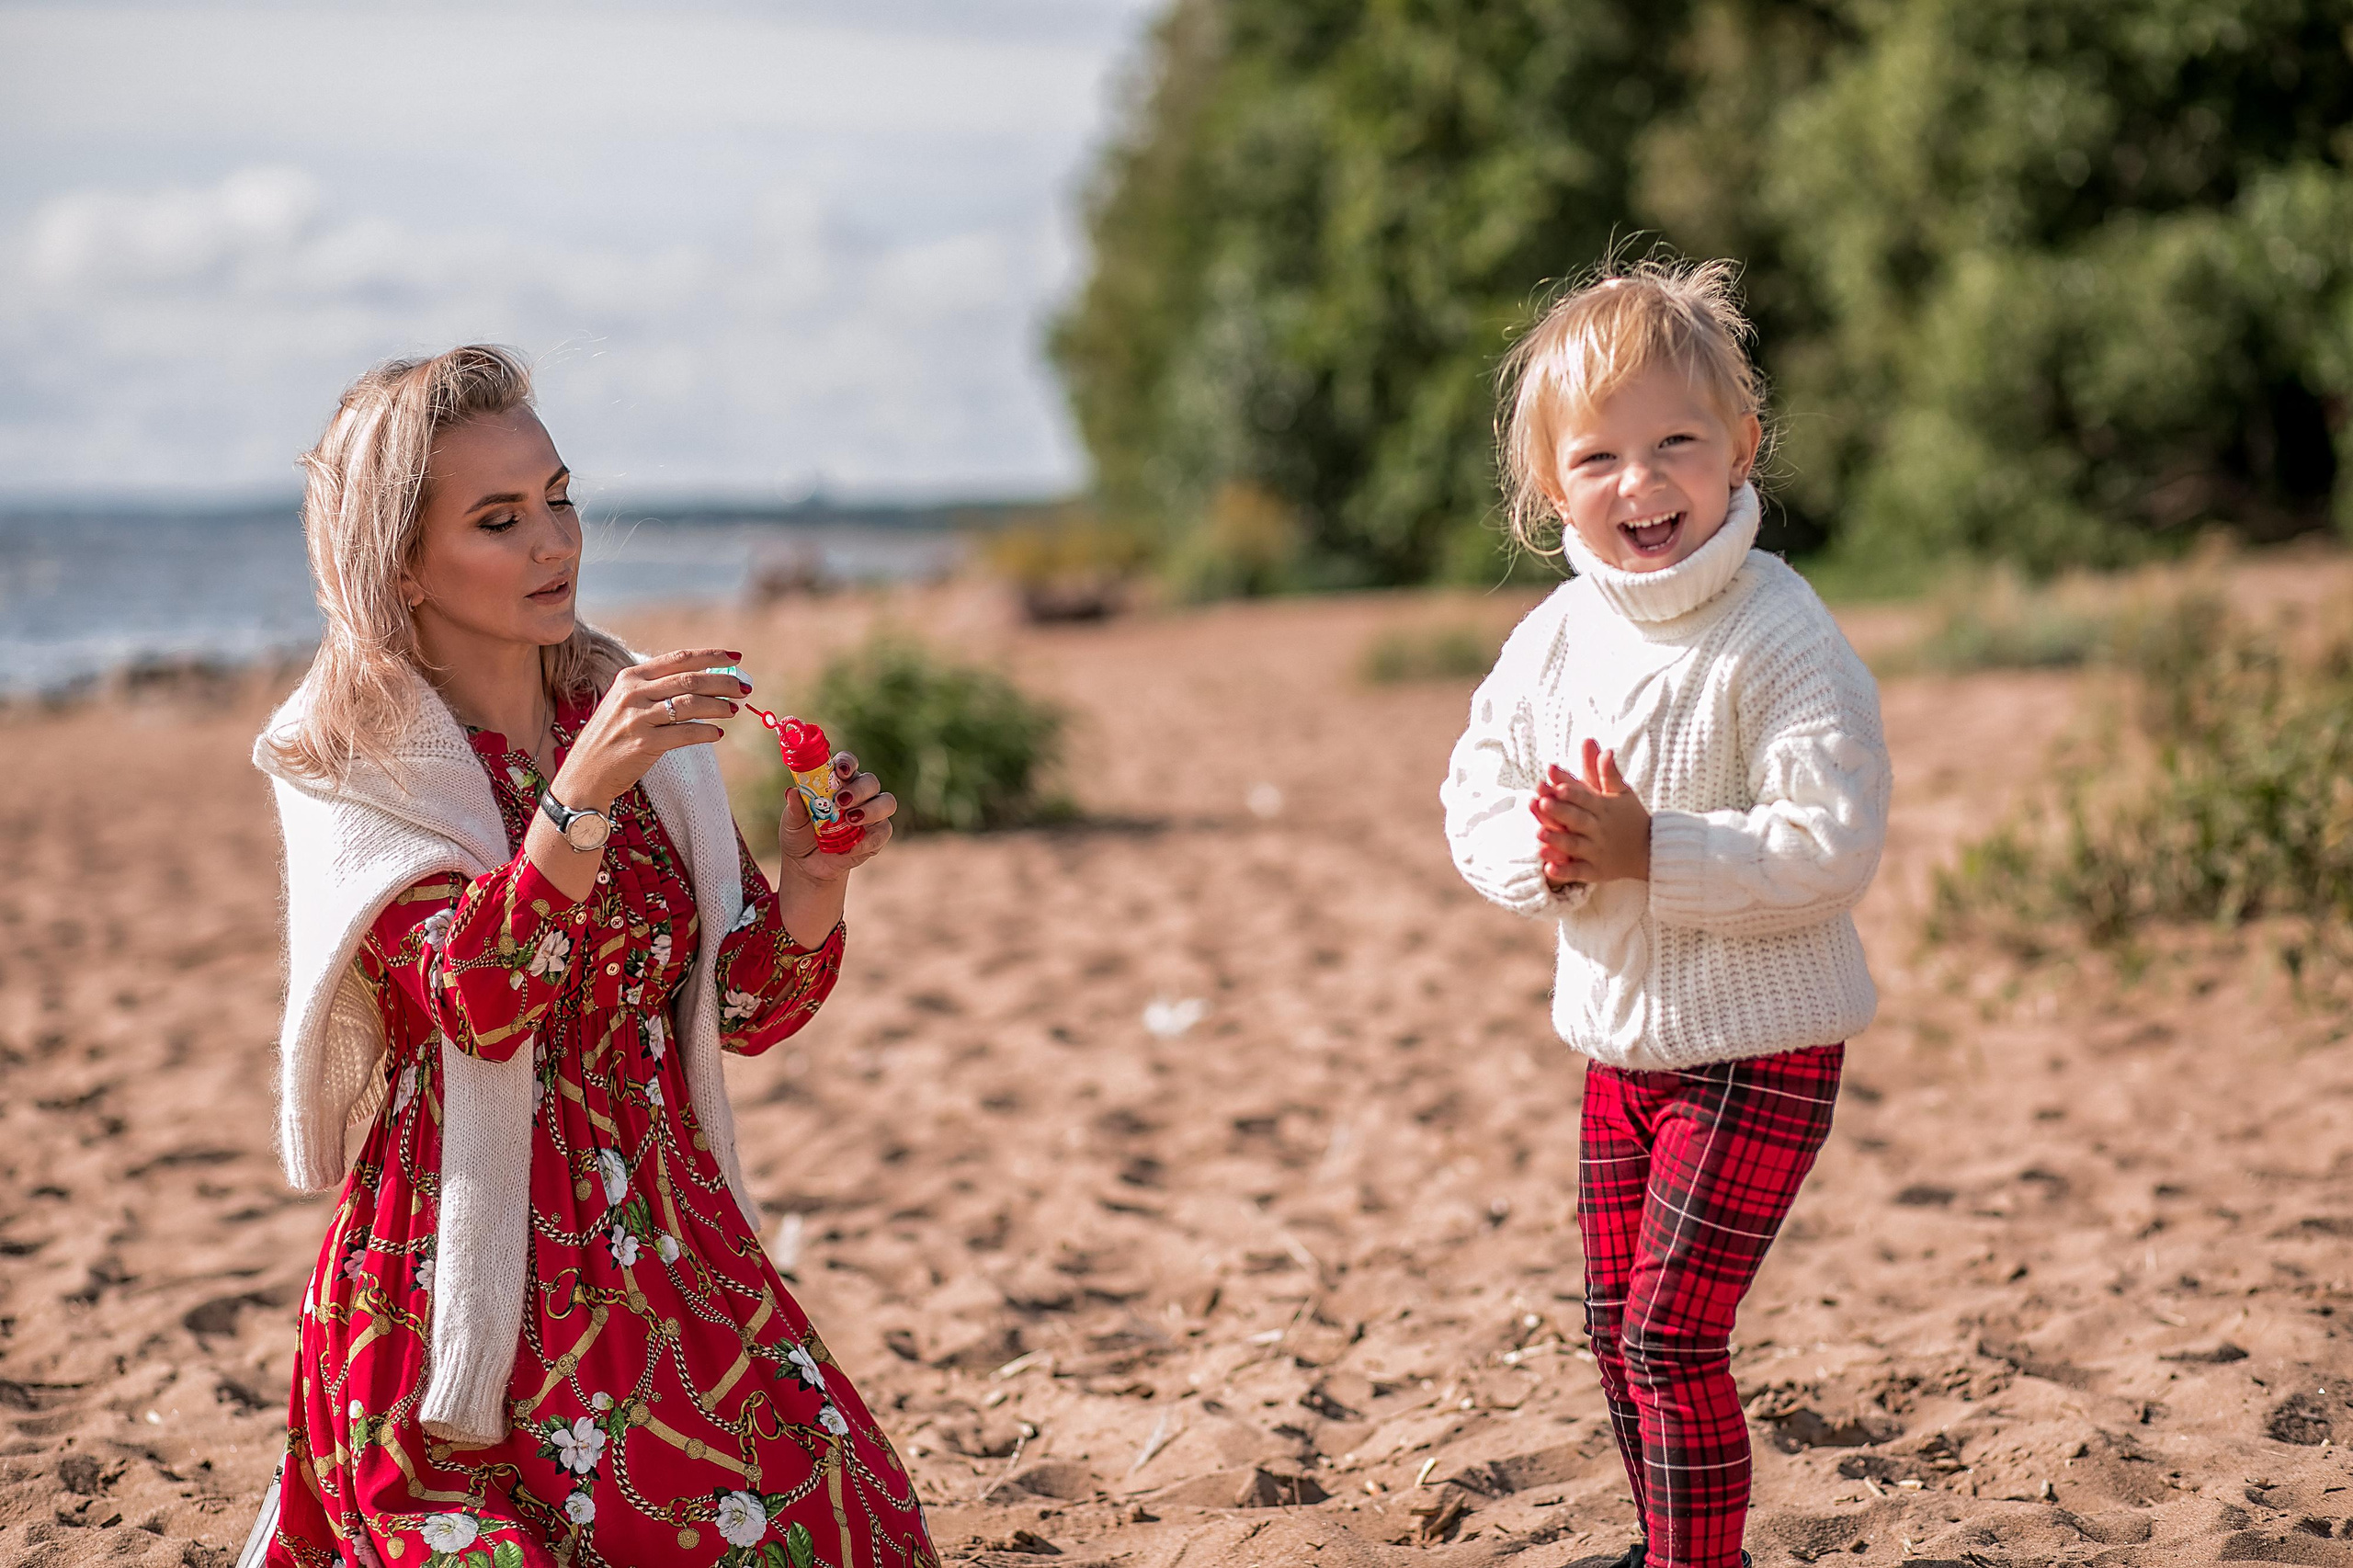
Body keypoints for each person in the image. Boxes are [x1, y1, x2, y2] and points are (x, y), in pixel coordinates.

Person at [248, 345, 935, 1567]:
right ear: (398, 564)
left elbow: (744, 1008)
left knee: (856, 1523)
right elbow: (479, 1001)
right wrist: (574, 802)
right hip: (462, 1267)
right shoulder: (353, 758)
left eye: (557, 498)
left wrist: (813, 881)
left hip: (672, 1239)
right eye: (499, 519)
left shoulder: (620, 714)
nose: (554, 541)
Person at [1441, 262, 1891, 1568]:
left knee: (1669, 1334)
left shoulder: (1780, 634)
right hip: (1618, 1046)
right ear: (1549, 487)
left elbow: (1830, 848)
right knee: (1607, 1322)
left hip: (1764, 1045)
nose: (1642, 485)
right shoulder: (1555, 637)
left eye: (1676, 445)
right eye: (1600, 457)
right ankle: (1673, 1545)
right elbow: (1476, 785)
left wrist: (1653, 848)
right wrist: (1549, 860)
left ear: (1741, 445)